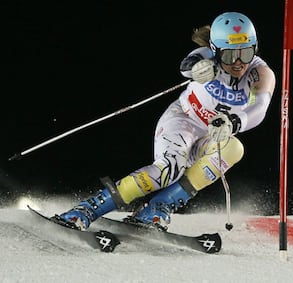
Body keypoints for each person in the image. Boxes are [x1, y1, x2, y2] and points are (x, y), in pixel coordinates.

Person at [54, 11, 276, 231]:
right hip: (183, 119)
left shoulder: (260, 73)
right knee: (168, 170)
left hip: (210, 135)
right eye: (229, 55)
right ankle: (88, 208)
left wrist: (233, 123)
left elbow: (260, 107)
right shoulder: (207, 56)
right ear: (216, 50)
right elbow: (187, 65)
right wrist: (198, 68)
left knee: (234, 148)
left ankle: (158, 207)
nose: (238, 63)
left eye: (246, 53)